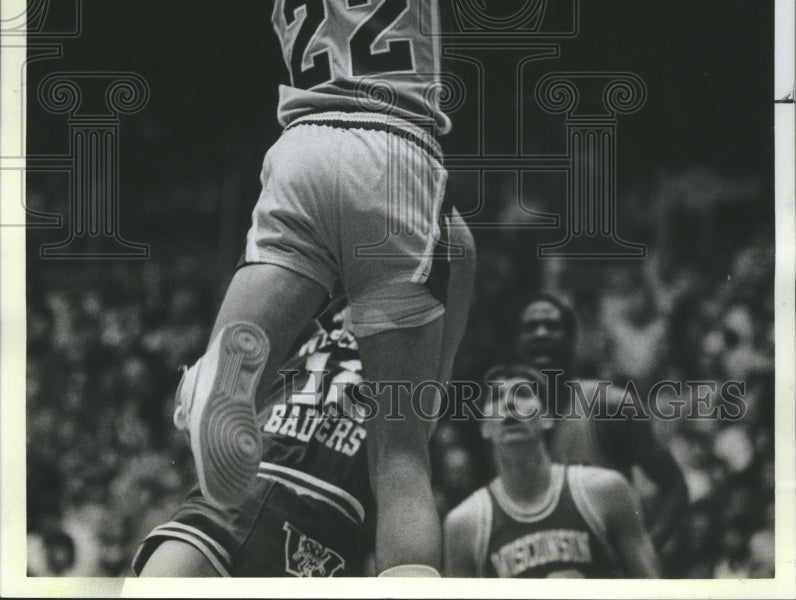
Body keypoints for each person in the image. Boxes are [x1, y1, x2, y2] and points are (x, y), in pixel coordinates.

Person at [173, 0, 514, 578]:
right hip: (394, 159)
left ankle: (221, 370)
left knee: (252, 329)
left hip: (298, 156)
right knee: (399, 453)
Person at [129, 224, 475, 579]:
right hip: (231, 501)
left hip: (319, 537)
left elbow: (460, 258)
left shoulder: (421, 370)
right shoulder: (308, 334)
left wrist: (432, 192)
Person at [443, 363, 660, 578]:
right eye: (496, 397)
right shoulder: (464, 524)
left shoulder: (605, 490)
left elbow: (651, 587)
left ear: (547, 417)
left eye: (523, 394)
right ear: (484, 427)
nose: (509, 403)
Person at [515, 293, 688, 551]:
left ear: (574, 340)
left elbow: (675, 488)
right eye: (530, 328)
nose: (541, 333)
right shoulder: (506, 418)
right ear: (518, 343)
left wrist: (643, 556)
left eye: (552, 326)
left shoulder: (610, 406)